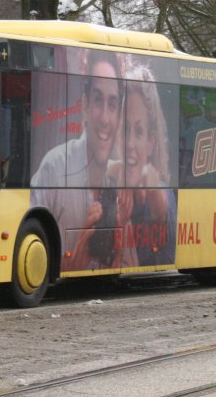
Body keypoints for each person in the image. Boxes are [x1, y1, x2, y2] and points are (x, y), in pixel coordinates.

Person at [31, 51, 123, 271]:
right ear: (84, 104)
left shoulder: (123, 176)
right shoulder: (54, 168)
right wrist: (71, 265)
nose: (104, 119)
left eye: (112, 104)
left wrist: (119, 254)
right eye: (98, 100)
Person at [110, 66, 177, 268]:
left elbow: (161, 207)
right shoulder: (109, 191)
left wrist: (150, 185)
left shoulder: (161, 190)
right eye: (125, 129)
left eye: (138, 131)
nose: (129, 143)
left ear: (151, 141)